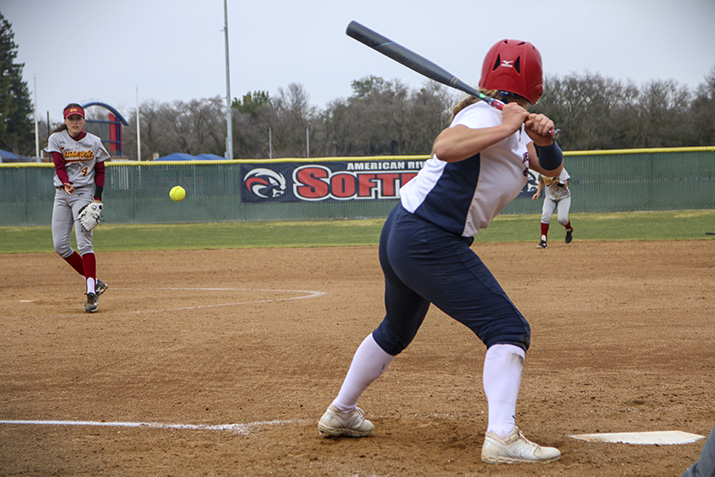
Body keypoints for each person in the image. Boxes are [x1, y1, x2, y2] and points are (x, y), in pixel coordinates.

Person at [318, 39, 564, 464]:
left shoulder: (512, 124)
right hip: (428, 238)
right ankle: (502, 436)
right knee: (508, 328)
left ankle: (340, 412)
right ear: (537, 86)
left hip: (405, 231)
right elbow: (445, 147)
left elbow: (552, 168)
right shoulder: (482, 115)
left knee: (396, 331)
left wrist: (541, 137)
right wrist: (507, 126)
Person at [46, 104, 110, 313]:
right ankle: (95, 281)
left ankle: (91, 293)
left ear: (83, 121)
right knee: (60, 245)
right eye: (71, 118)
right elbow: (58, 165)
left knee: (84, 243)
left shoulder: (94, 142)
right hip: (62, 194)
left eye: (78, 118)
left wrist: (97, 198)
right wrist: (65, 182)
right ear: (65, 121)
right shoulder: (57, 139)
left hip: (83, 194)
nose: (74, 122)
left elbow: (100, 171)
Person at [532, 168, 573, 248]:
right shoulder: (542, 169)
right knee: (545, 216)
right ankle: (543, 240)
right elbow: (541, 181)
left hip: (563, 197)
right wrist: (538, 192)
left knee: (562, 219)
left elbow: (565, 185)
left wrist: (557, 182)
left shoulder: (560, 170)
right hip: (550, 197)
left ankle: (569, 229)